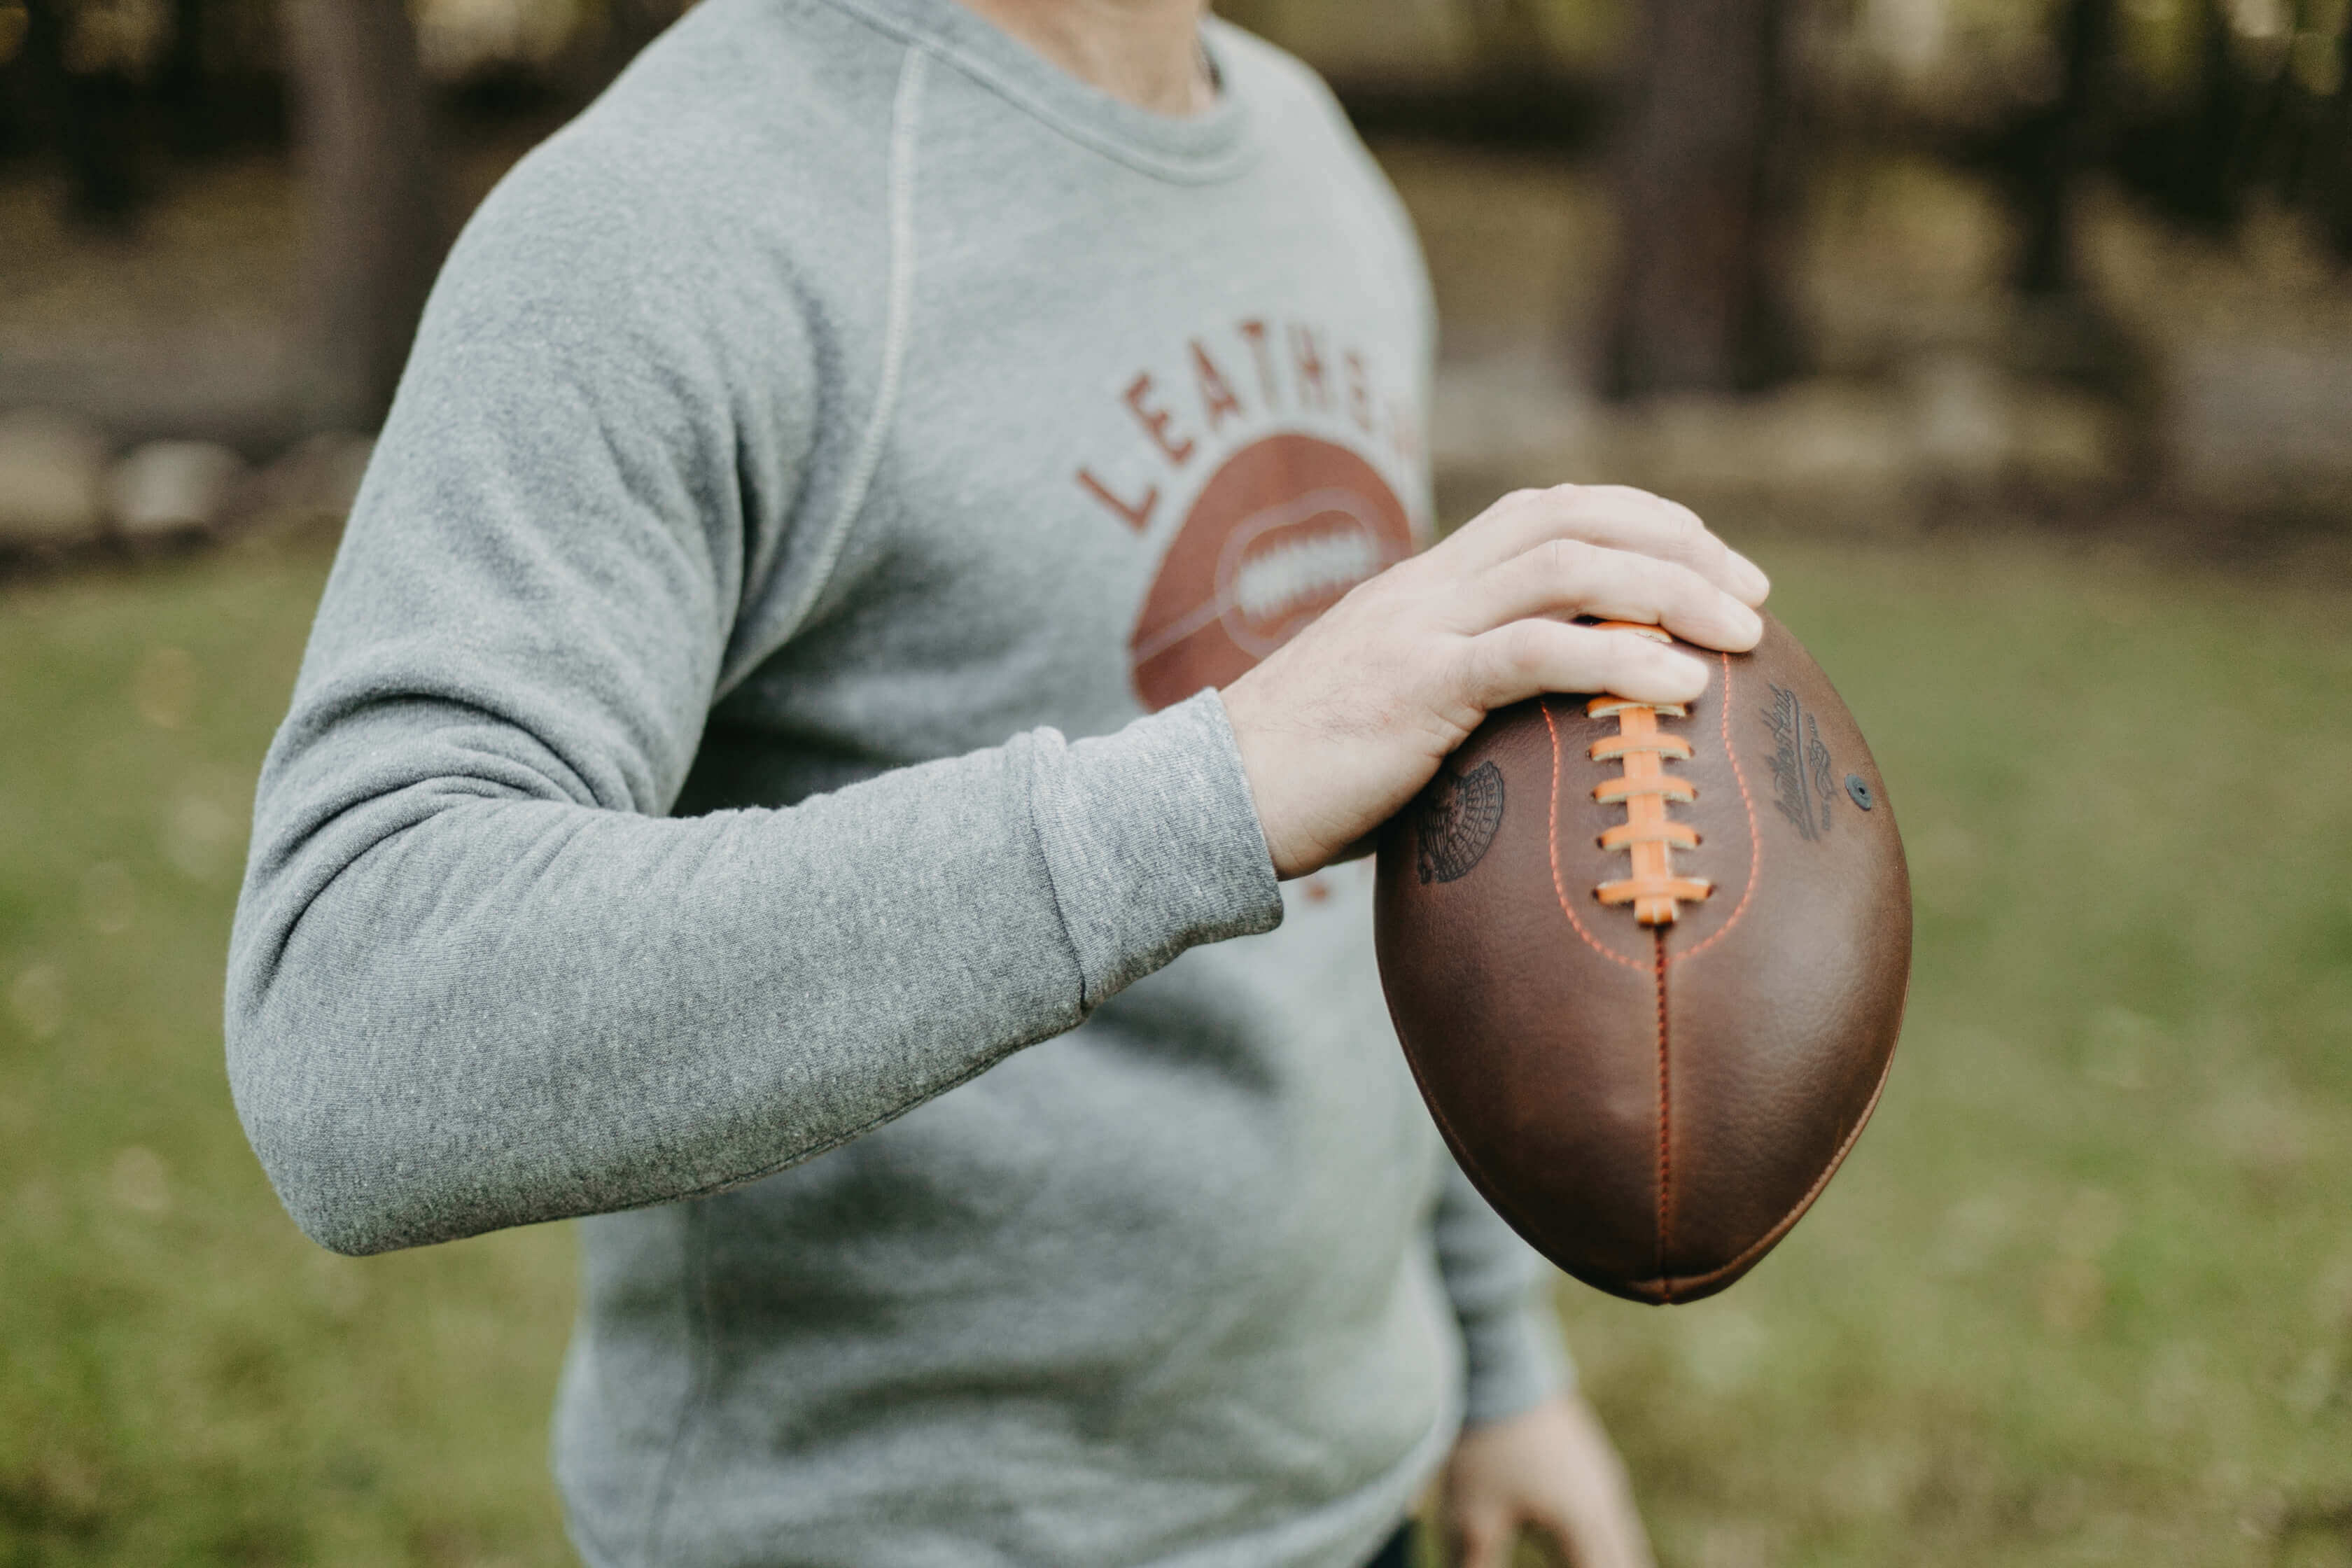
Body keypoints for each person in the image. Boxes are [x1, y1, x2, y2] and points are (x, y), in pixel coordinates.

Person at [225, 1, 1769, 1564]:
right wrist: (1209, 791)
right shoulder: (658, 217)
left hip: (1346, 1493)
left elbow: (1365, 882)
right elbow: (346, 1025)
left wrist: (1497, 1365)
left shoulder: (1307, 157)